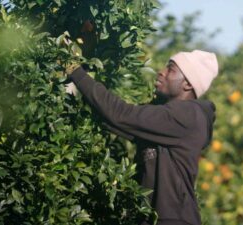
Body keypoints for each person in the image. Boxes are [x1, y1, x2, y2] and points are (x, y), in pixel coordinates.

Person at [65, 50, 218, 225]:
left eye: (171, 70)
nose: (161, 72)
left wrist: (75, 70)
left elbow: (121, 114)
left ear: (187, 84)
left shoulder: (188, 114)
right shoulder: (170, 121)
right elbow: (118, 122)